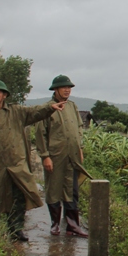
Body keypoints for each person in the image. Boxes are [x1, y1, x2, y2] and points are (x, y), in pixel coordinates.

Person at [0, 79, 65, 241]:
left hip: (16, 164)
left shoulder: (16, 112)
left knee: (18, 198)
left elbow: (35, 112)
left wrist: (50, 107)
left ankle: (16, 229)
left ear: (4, 95)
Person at [35, 75, 91, 236]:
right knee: (53, 189)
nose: (67, 90)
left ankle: (73, 225)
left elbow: (79, 129)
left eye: (69, 87)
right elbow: (40, 134)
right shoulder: (47, 108)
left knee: (71, 189)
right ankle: (55, 224)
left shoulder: (72, 107)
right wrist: (45, 156)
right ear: (55, 89)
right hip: (55, 156)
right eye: (64, 87)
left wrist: (80, 148)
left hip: (71, 156)